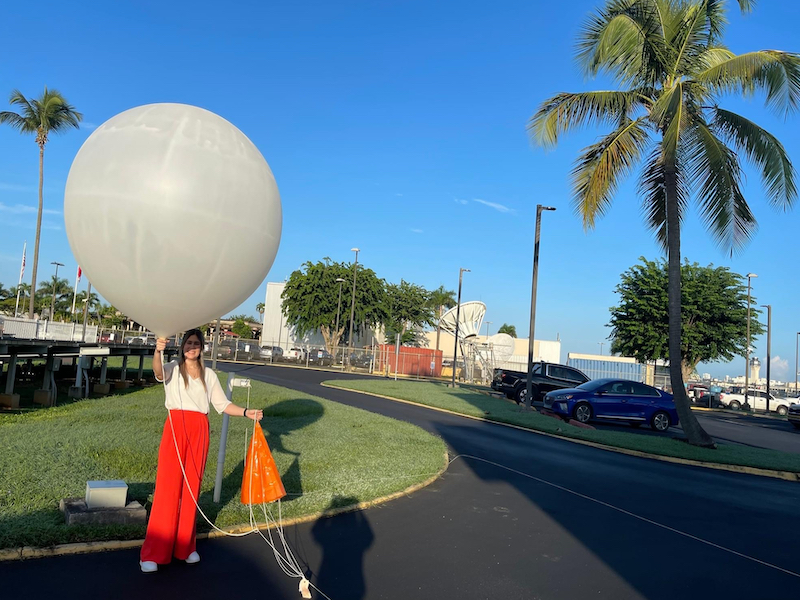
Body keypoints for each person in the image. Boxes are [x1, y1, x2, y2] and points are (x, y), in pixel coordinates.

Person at [140, 328, 262, 573]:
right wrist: (158, 351)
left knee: (191, 487)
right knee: (168, 487)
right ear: (182, 346)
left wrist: (247, 412)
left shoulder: (210, 376)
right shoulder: (173, 367)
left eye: (196, 343)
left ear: (202, 347)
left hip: (199, 430)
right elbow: (157, 372)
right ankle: (154, 552)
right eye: (188, 343)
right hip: (175, 426)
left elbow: (222, 404)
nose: (191, 347)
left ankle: (185, 547)